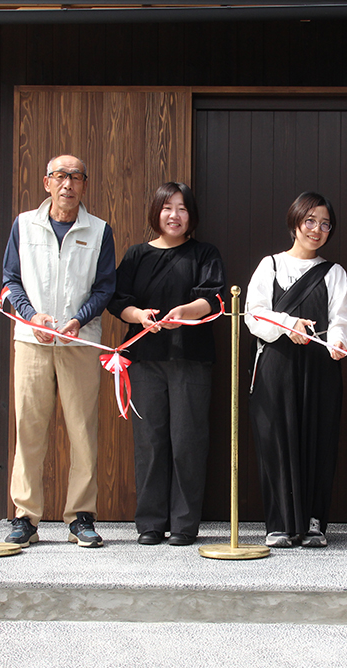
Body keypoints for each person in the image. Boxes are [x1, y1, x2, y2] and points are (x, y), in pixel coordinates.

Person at [1, 154, 116, 549]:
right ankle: (24, 518)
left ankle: (80, 516)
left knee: (83, 430)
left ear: (84, 184)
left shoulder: (99, 230)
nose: (68, 184)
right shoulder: (23, 224)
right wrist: (32, 316)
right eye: (60, 176)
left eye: (76, 177)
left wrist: (78, 319)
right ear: (47, 182)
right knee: (29, 428)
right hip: (32, 340)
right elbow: (11, 279)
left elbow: (104, 288)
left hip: (79, 341)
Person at [107, 182, 226, 546]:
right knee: (149, 441)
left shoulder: (205, 253)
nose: (174, 215)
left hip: (190, 358)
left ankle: (185, 524)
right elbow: (117, 300)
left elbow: (213, 297)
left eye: (182, 208)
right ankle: (150, 523)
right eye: (167, 208)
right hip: (144, 360)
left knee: (188, 440)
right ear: (156, 212)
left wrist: (184, 314)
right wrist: (139, 315)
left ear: (191, 215)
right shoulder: (136, 255)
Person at [245, 192, 347, 548]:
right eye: (310, 221)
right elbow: (254, 313)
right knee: (275, 441)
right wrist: (288, 323)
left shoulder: (334, 272)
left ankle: (313, 524)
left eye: (325, 224)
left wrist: (340, 342)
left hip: (320, 368)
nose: (317, 229)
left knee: (318, 440)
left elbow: (343, 319)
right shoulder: (270, 265)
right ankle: (278, 524)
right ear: (295, 222)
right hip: (276, 366)